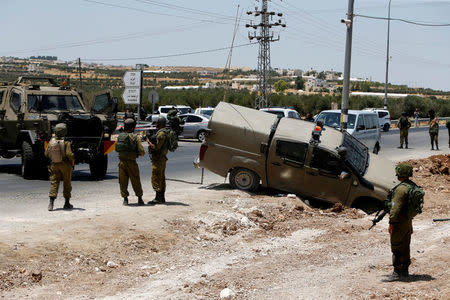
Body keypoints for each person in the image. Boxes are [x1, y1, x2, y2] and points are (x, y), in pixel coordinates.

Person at [383, 163, 417, 282]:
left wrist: (391, 223)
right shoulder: (412, 186)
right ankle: (405, 272)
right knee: (405, 246)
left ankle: (397, 273)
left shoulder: (401, 189)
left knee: (396, 246)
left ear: (400, 173)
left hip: (399, 222)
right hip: (408, 221)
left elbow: (395, 209)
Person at [45, 123, 75, 211]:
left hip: (54, 164)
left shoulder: (51, 142)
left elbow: (46, 154)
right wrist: (72, 159)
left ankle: (51, 203)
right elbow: (69, 154)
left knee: (54, 183)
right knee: (67, 183)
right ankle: (66, 203)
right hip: (65, 165)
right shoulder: (66, 142)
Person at [116, 118, 145, 206]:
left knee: (123, 181)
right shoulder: (135, 137)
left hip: (121, 163)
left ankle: (125, 199)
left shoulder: (120, 136)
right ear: (133, 127)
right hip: (132, 162)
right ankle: (140, 199)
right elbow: (142, 152)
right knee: (135, 180)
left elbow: (117, 149)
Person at [147, 116, 169, 205]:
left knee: (156, 177)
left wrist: (149, 142)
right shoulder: (164, 132)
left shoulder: (161, 134)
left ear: (159, 123)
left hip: (158, 158)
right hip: (162, 158)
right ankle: (162, 197)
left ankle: (158, 198)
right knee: (161, 178)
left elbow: (156, 147)